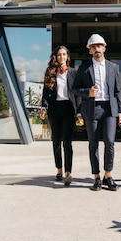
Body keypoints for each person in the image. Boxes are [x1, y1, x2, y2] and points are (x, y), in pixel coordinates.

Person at [73, 34, 121, 191]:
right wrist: (88, 92)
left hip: (110, 109)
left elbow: (118, 91)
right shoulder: (83, 68)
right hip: (92, 109)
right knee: (93, 143)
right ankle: (96, 177)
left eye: (99, 46)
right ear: (90, 50)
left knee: (110, 141)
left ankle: (107, 176)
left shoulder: (113, 67)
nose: (97, 49)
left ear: (104, 48)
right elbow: (74, 89)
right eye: (93, 47)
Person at [40, 45, 81, 186]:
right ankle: (59, 169)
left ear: (67, 57)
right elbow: (45, 94)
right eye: (59, 54)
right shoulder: (50, 72)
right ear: (55, 57)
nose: (61, 57)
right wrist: (44, 107)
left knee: (67, 142)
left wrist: (79, 111)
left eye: (64, 54)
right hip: (54, 109)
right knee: (56, 140)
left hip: (69, 109)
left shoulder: (73, 73)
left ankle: (68, 172)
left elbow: (78, 94)